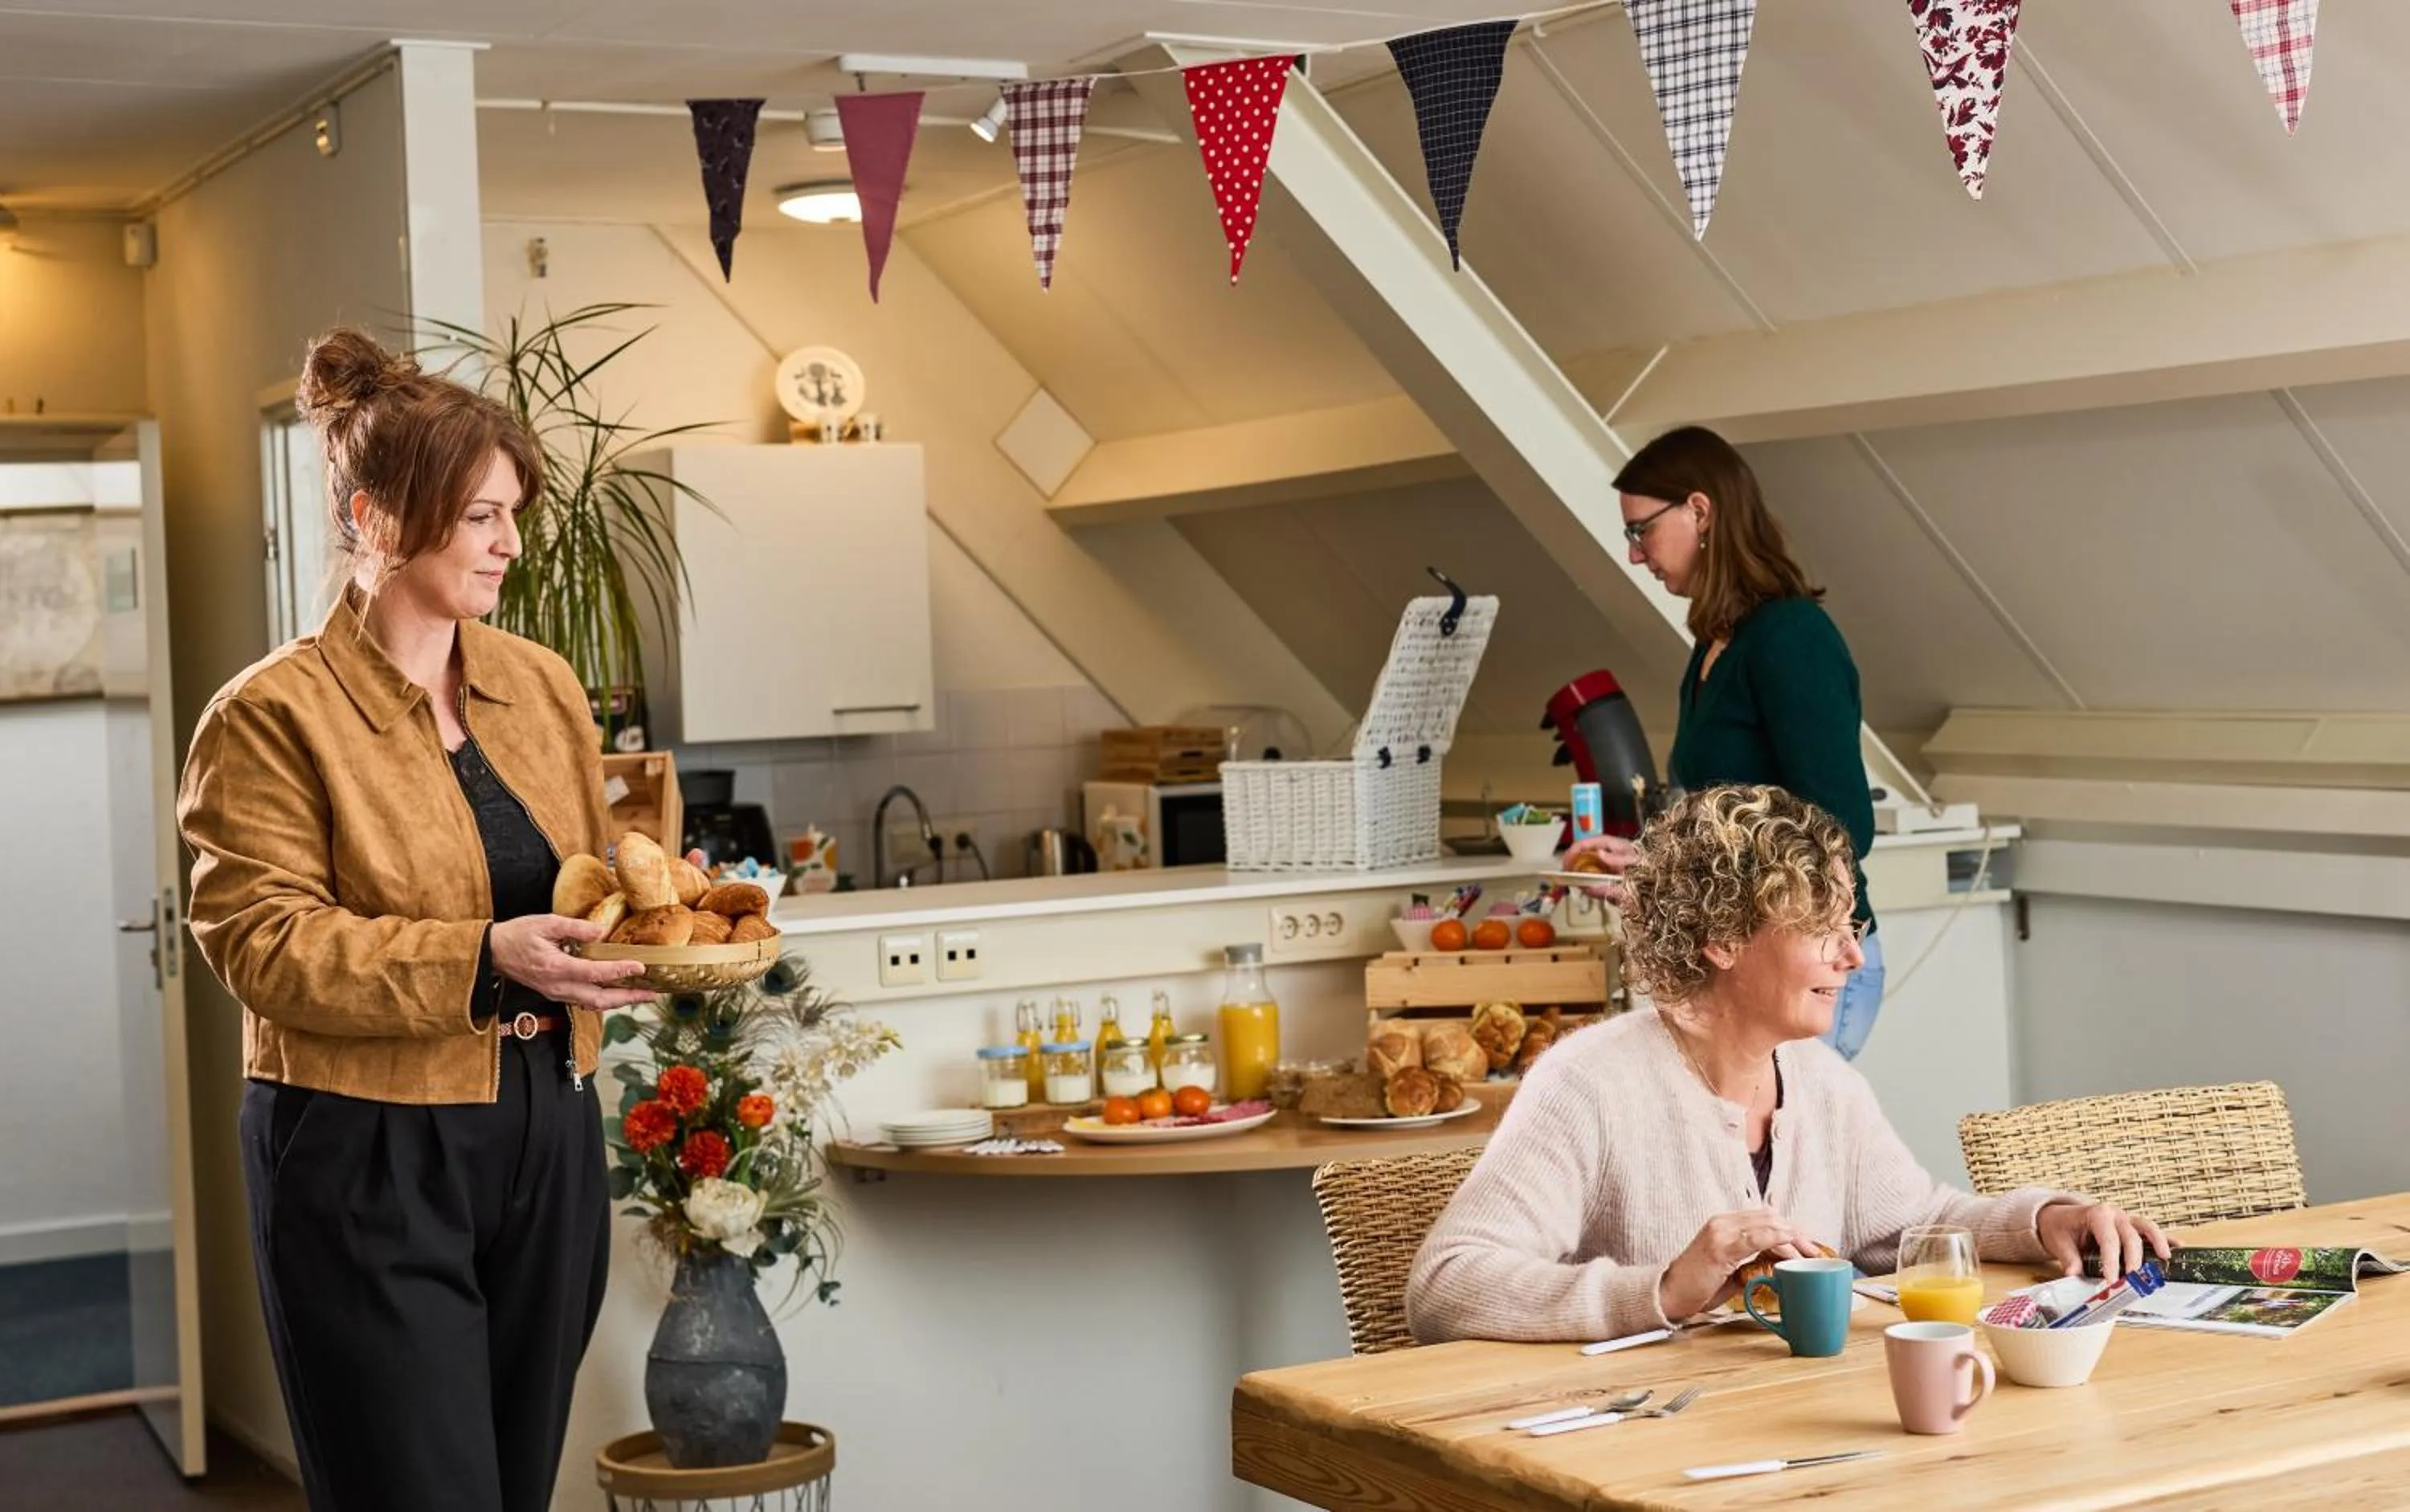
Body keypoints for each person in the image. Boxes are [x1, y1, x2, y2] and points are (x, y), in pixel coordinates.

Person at [178, 328, 664, 1512]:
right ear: (377, 515)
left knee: (510, 1487)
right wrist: (480, 958)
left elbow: (582, 875)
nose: (511, 542)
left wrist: (653, 916)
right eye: (481, 515)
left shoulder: (542, 684)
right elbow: (259, 941)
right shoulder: (270, 715)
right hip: (363, 1146)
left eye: (515, 512)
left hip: (546, 1127)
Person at [1407, 785, 2166, 1345]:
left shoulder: (1822, 1080)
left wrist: (2048, 1219)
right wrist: (1665, 1290)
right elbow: (1446, 1284)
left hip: (1790, 1436)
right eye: (1821, 929)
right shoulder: (1589, 1085)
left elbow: (1918, 1225)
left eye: (1850, 925)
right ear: (1725, 939)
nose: (1853, 955)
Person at [1570, 425, 1887, 1057]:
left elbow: (1842, 827)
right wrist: (1652, 865)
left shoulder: (1792, 638)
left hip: (1806, 969)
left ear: (1700, 510)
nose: (1635, 554)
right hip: (1748, 966)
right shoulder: (1718, 643)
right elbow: (1730, 821)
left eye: (1641, 530)